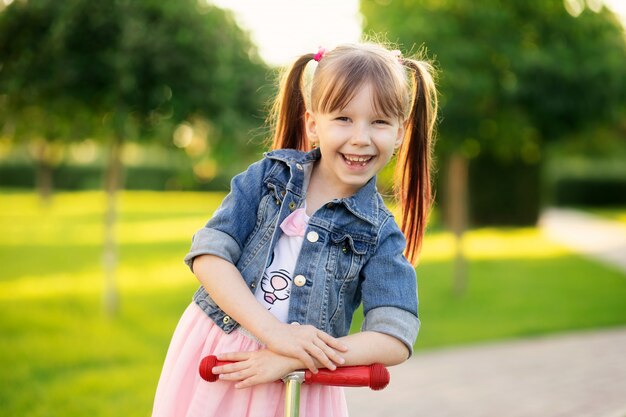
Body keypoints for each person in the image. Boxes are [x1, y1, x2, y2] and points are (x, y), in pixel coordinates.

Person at [151, 42, 438, 417]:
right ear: (313, 124)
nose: (361, 138)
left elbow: (394, 336)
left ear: (400, 133)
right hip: (222, 358)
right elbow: (208, 257)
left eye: (379, 122)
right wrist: (278, 337)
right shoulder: (269, 178)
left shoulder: (380, 232)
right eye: (343, 119)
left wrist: (296, 358)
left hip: (301, 383)